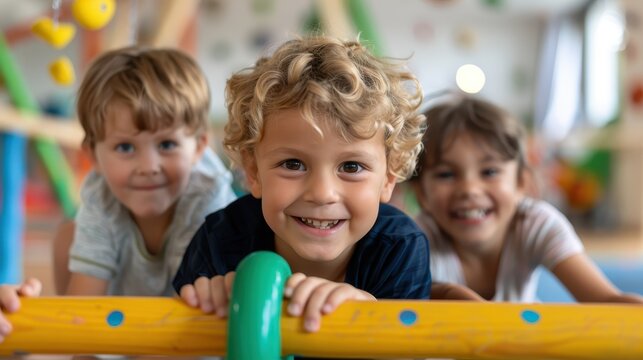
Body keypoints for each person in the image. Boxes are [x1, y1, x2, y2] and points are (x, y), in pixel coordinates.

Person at [173, 35, 432, 335]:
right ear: (253, 171)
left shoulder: (399, 247)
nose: (322, 193)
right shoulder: (221, 239)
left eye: (351, 167)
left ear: (388, 179)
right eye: (293, 164)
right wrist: (203, 318)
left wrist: (372, 318)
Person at [0, 46, 237, 341]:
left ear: (199, 146)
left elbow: (189, 314)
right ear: (93, 156)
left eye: (166, 145)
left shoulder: (209, 198)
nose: (148, 167)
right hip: (123, 313)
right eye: (125, 147)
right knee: (67, 237)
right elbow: (82, 313)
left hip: (195, 323)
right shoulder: (101, 195)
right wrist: (80, 345)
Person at [410, 95, 643, 303]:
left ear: (521, 182)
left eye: (489, 172)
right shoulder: (414, 240)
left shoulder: (535, 223)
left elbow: (604, 300)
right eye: (446, 174)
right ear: (421, 192)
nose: (470, 189)